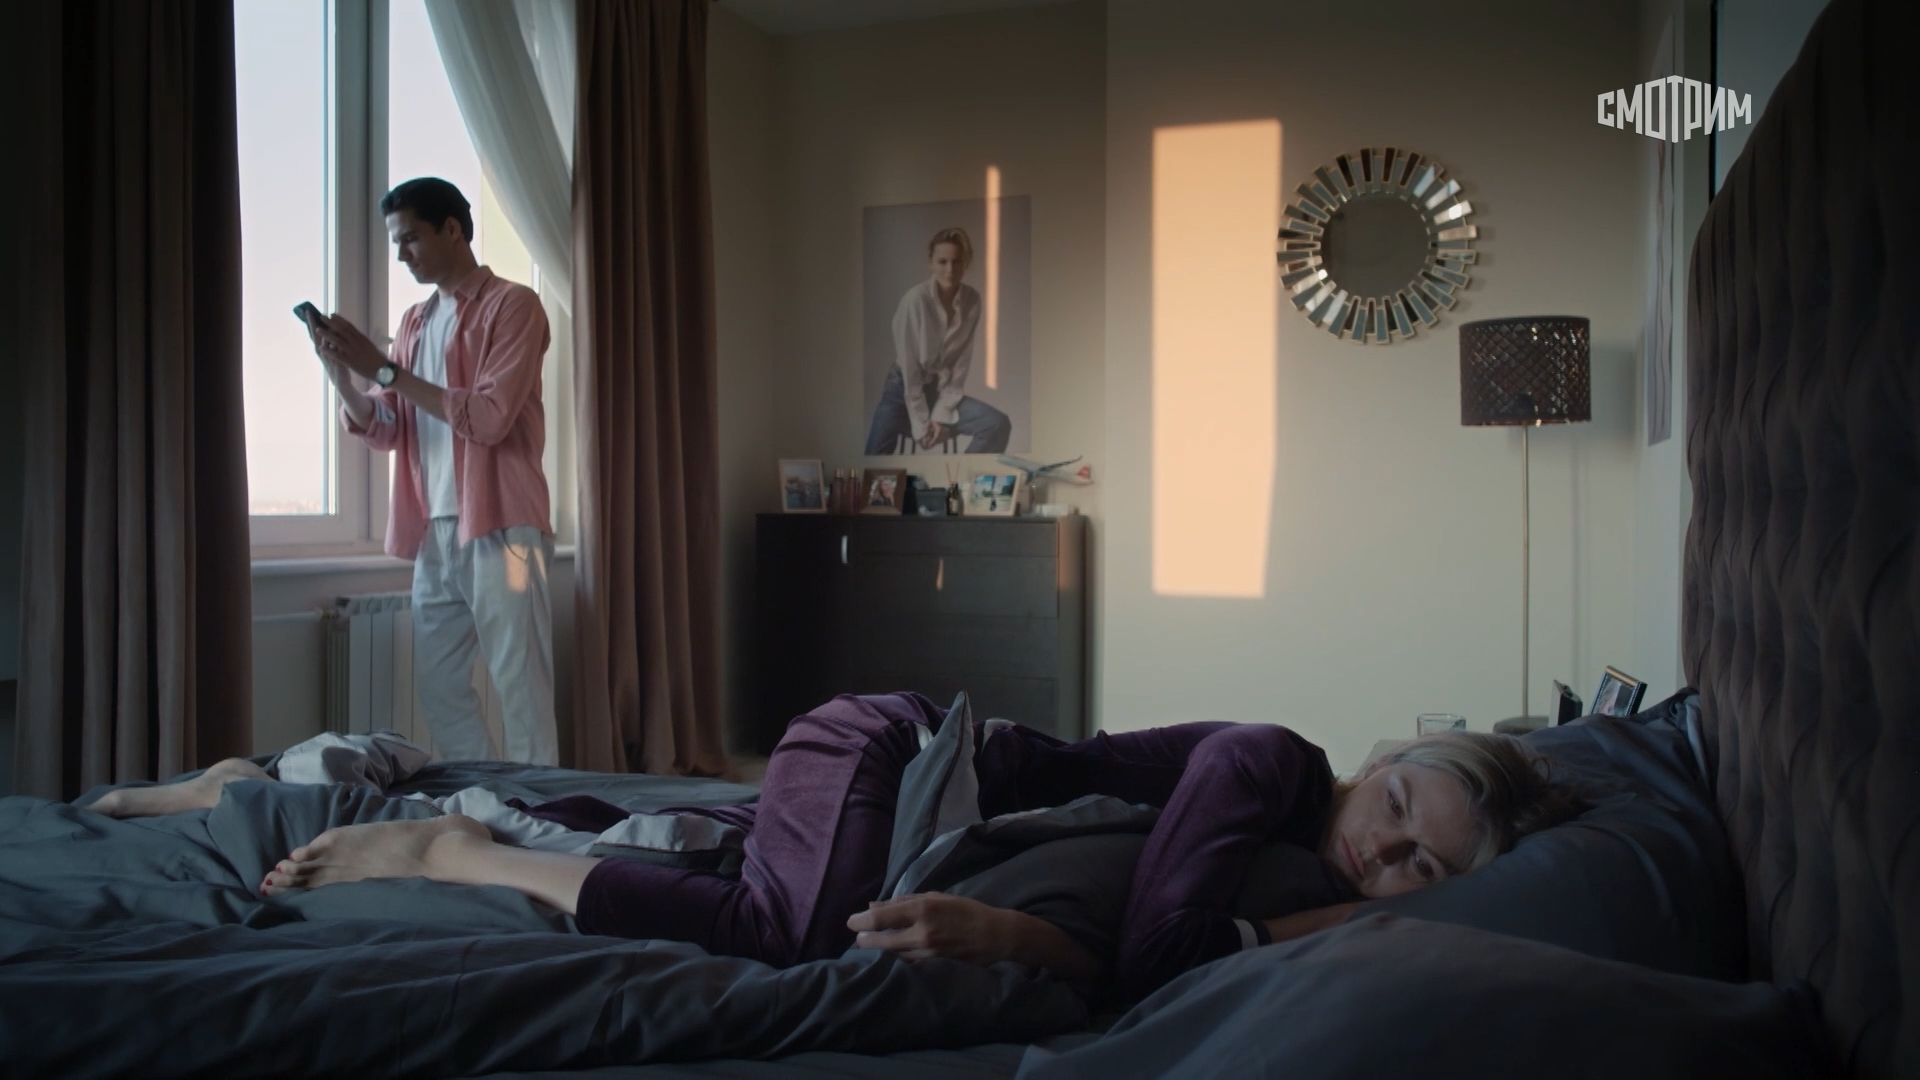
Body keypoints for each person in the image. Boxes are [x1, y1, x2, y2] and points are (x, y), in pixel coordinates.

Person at [85, 694, 1576, 998]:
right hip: (880, 748)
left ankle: (290, 788)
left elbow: (1161, 948)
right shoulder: (1273, 765)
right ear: (1383, 764)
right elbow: (1166, 949)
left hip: (897, 802)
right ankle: (450, 857)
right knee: (794, 940)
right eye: (1400, 816)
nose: (1386, 863)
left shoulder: (1303, 861)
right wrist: (1358, 922)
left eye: (1423, 872)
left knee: (701, 853)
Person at [303, 177, 558, 766]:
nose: (401, 255)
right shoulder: (415, 322)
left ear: (452, 229)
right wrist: (343, 376)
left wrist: (384, 371)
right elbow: (388, 426)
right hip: (436, 533)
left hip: (506, 529)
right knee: (439, 685)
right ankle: (487, 793)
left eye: (410, 239)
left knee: (521, 685)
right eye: (396, 242)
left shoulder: (513, 305)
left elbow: (490, 417)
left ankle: (544, 807)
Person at [863, 227, 1014, 455]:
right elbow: (910, 371)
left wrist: (940, 417)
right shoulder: (915, 300)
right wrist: (923, 424)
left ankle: (962, 477)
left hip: (941, 393)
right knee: (873, 459)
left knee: (997, 424)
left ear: (965, 263)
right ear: (930, 262)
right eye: (942, 262)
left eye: (956, 262)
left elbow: (959, 367)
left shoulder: (972, 300)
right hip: (902, 390)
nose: (950, 270)